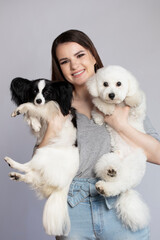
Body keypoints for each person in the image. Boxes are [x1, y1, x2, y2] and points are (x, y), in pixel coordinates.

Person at [38, 29, 160, 239]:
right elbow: (39, 170)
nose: (74, 65)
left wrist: (122, 126)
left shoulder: (123, 97)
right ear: (59, 68)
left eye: (80, 55)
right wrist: (52, 127)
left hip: (119, 208)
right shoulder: (55, 108)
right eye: (65, 61)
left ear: (93, 56)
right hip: (72, 213)